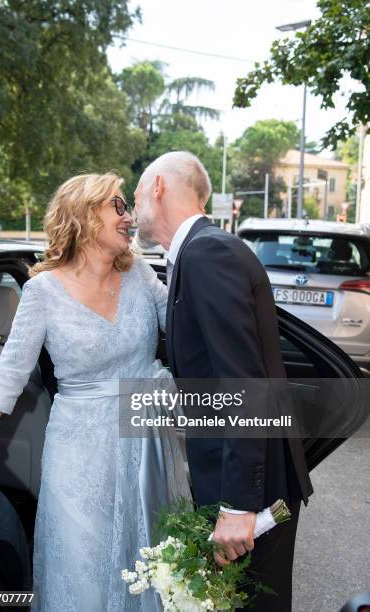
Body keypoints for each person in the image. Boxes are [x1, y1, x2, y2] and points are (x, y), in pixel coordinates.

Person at [0, 173, 190, 612]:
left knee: (150, 562)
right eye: (117, 207)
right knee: (84, 568)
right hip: (80, 457)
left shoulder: (140, 274)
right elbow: (10, 371)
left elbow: (186, 326)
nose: (129, 217)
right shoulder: (42, 291)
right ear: (85, 217)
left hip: (146, 449)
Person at [134, 151, 313, 612]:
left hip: (251, 495)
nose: (133, 207)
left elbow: (243, 382)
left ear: (157, 187)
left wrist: (236, 505)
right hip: (241, 481)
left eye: (135, 193)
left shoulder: (206, 253)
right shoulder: (196, 253)